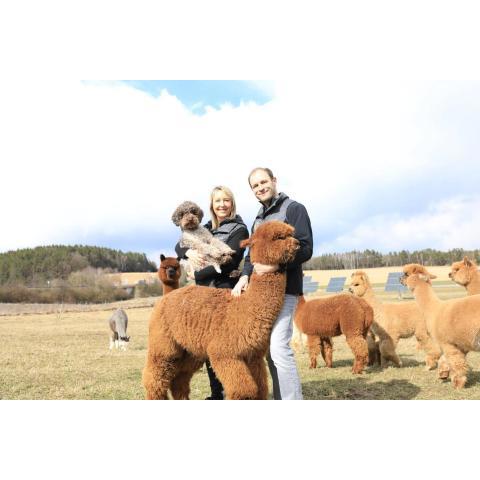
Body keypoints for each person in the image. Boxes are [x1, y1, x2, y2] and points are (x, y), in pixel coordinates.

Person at [232, 167, 313, 400]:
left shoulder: (294, 209)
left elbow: (305, 248)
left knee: (279, 348)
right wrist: (245, 276)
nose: (261, 188)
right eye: (255, 186)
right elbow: (251, 254)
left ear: (274, 181)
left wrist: (277, 266)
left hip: (286, 290)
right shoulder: (259, 218)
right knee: (269, 351)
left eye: (263, 182)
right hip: (261, 295)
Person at [175, 186, 248, 400]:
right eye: (218, 201)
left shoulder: (239, 229)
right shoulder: (204, 227)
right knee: (210, 347)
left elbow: (230, 262)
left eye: (226, 200)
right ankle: (217, 393)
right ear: (211, 205)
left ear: (232, 203)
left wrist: (196, 274)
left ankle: (235, 391)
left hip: (225, 292)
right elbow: (180, 243)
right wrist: (186, 252)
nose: (222, 205)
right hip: (205, 293)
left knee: (227, 347)